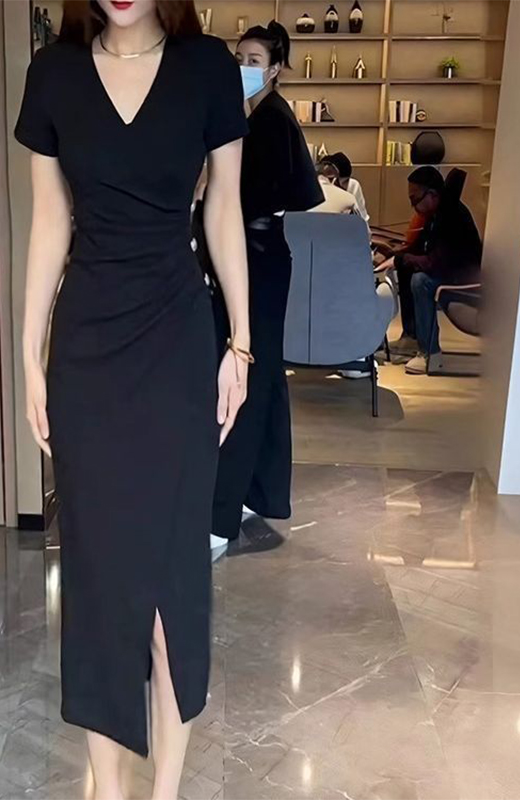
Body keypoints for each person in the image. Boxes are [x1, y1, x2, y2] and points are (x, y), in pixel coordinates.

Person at [15, 2, 250, 798]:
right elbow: (50, 221)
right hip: (87, 350)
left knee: (171, 582)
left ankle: (165, 791)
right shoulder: (53, 75)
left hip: (177, 340)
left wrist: (241, 342)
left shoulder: (208, 69)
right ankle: (110, 789)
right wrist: (29, 355)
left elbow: (223, 207)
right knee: (98, 582)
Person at [210, 21, 322, 550]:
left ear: (275, 68)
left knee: (244, 375)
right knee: (265, 374)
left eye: (253, 60)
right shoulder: (260, 115)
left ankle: (220, 516)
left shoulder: (270, 120)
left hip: (255, 256)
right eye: (239, 57)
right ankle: (262, 492)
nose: (243, 67)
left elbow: (243, 197)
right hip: (264, 254)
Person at [389, 166, 482, 374]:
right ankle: (412, 336)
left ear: (432, 194)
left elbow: (436, 261)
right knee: (405, 267)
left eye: (414, 199)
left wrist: (405, 258)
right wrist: (397, 256)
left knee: (420, 281)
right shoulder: (436, 214)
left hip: (462, 279)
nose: (413, 206)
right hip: (449, 272)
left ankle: (430, 354)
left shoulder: (451, 216)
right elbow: (420, 247)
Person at [321, 151, 369, 222]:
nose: (343, 185)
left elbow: (362, 216)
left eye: (346, 181)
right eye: (338, 181)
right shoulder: (324, 187)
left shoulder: (353, 185)